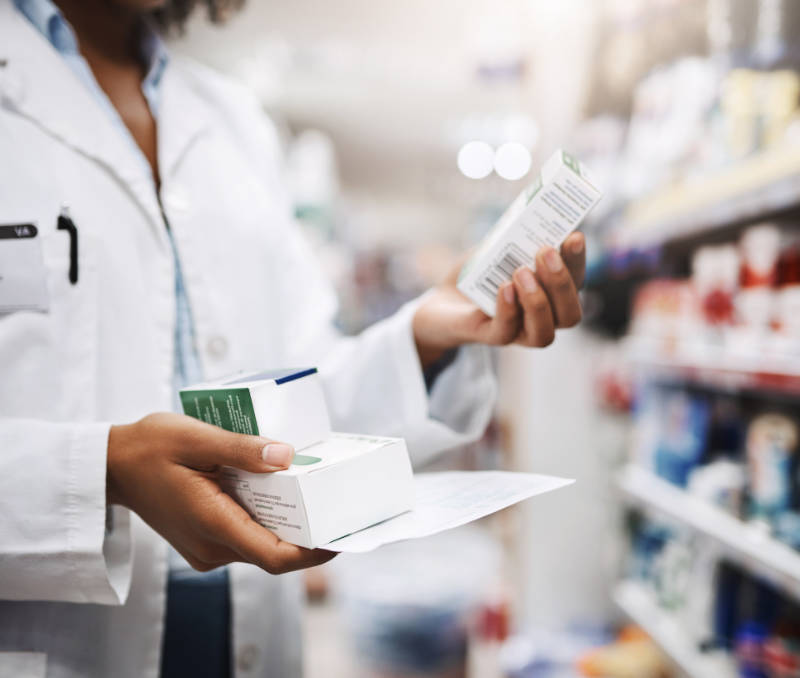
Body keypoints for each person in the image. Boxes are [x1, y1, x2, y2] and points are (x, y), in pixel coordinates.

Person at [0, 0, 587, 676]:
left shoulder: (235, 122)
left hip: (248, 637)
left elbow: (299, 394)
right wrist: (102, 472)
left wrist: (424, 342)